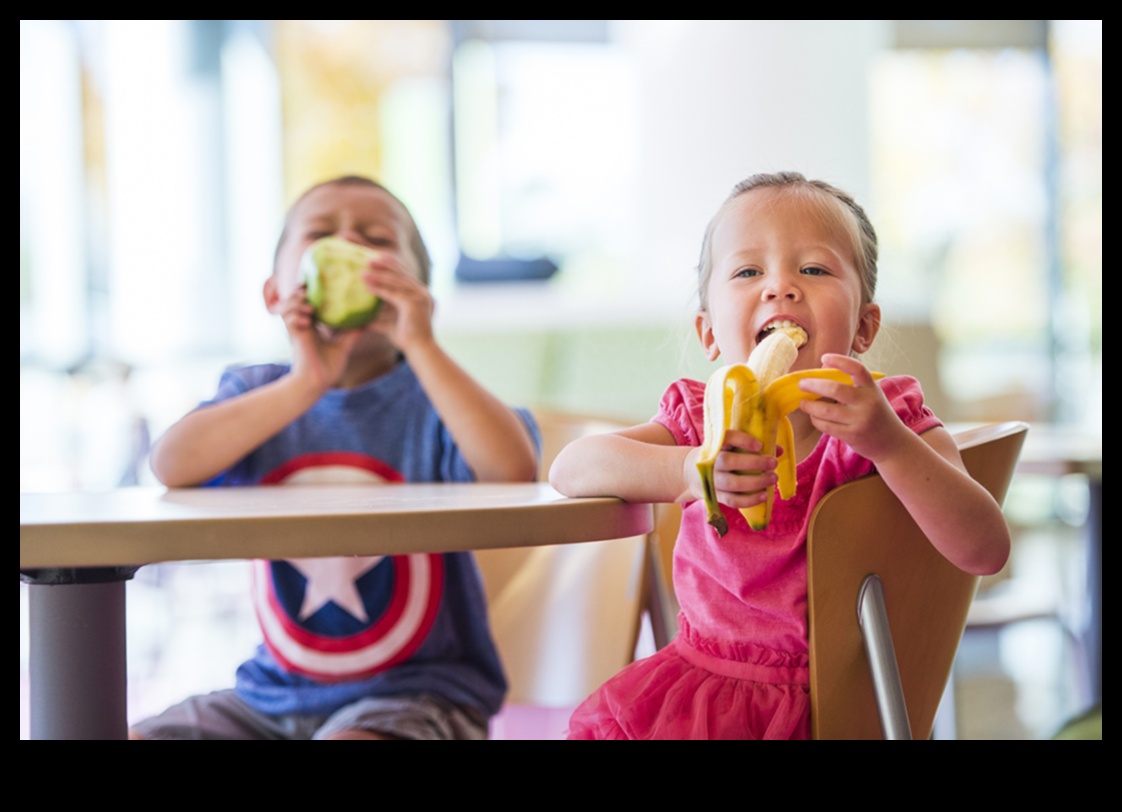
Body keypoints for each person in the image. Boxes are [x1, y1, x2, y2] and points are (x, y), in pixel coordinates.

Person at [550, 171, 1010, 740]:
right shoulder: (699, 421)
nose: (780, 287)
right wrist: (686, 470)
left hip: (841, 703)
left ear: (864, 328)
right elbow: (570, 467)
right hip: (703, 701)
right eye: (748, 272)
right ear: (709, 332)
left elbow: (985, 549)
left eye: (813, 269)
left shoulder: (890, 417)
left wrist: (889, 444)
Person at [134, 175, 539, 740]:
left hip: (419, 695)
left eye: (376, 239)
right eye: (322, 234)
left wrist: (421, 343)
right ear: (276, 292)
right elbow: (171, 463)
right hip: (270, 695)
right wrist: (307, 382)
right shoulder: (256, 395)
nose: (349, 246)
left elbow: (512, 469)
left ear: (419, 293)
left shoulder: (436, 400)